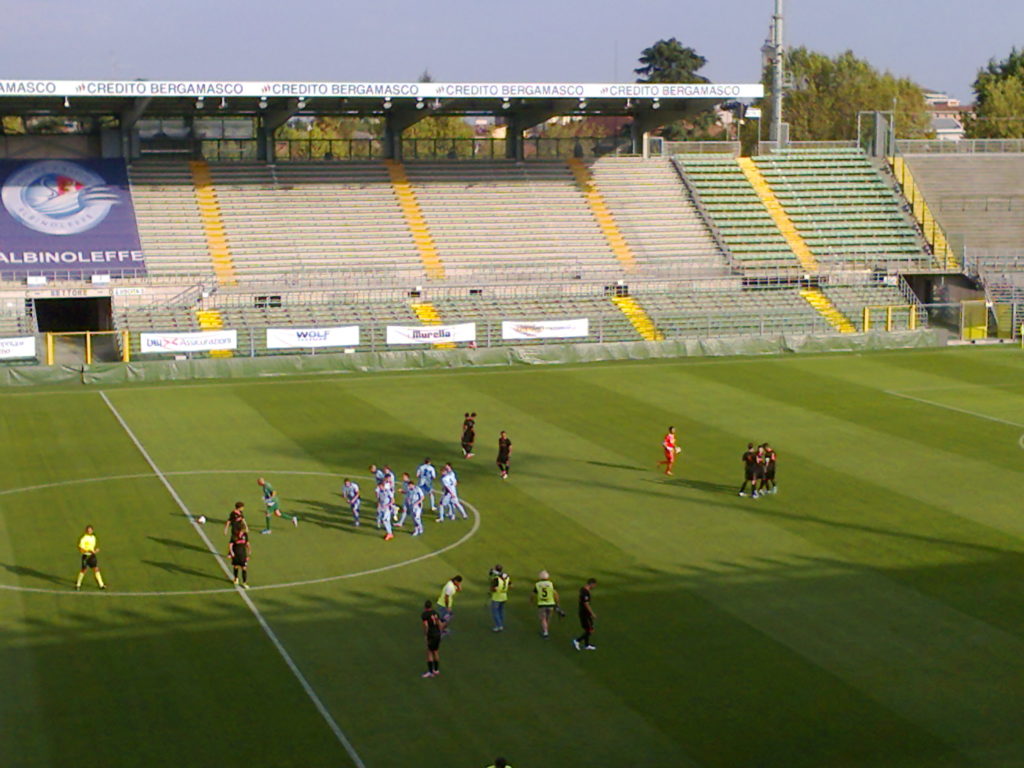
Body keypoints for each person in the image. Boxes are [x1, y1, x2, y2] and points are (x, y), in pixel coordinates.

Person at [75, 525, 106, 591]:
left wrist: (95, 550)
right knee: (83, 570)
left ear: (92, 530)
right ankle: (78, 584)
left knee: (96, 569)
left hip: (92, 556)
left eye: (90, 530)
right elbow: (81, 549)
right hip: (86, 556)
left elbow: (93, 547)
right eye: (88, 530)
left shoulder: (93, 537)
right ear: (86, 530)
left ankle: (101, 585)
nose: (89, 531)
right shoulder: (83, 538)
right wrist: (88, 551)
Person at [532, 570, 560, 638]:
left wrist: (531, 600)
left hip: (542, 604)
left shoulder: (537, 584)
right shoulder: (551, 584)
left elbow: (533, 594)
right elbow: (556, 594)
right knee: (547, 618)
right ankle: (545, 629)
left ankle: (545, 632)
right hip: (551, 603)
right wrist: (557, 602)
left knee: (543, 618)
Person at [572, 578, 598, 651]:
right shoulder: (585, 592)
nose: (594, 587)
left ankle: (587, 645)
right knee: (590, 630)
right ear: (591, 584)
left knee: (588, 629)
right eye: (594, 585)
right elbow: (586, 604)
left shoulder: (582, 589)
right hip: (584, 614)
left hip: (584, 613)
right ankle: (577, 641)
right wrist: (592, 613)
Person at [421, 600, 443, 678]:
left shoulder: (425, 614)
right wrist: (440, 632)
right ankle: (436, 670)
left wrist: (426, 635)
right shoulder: (435, 613)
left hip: (431, 635)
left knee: (429, 652)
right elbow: (439, 623)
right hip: (437, 634)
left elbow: (426, 625)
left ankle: (430, 672)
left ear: (425, 607)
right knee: (436, 651)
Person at [489, 564, 511, 632]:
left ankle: (498, 626)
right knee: (501, 611)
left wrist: (491, 589)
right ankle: (501, 624)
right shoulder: (507, 577)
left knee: (495, 612)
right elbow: (511, 586)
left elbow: (494, 589)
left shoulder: (496, 579)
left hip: (496, 597)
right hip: (504, 597)